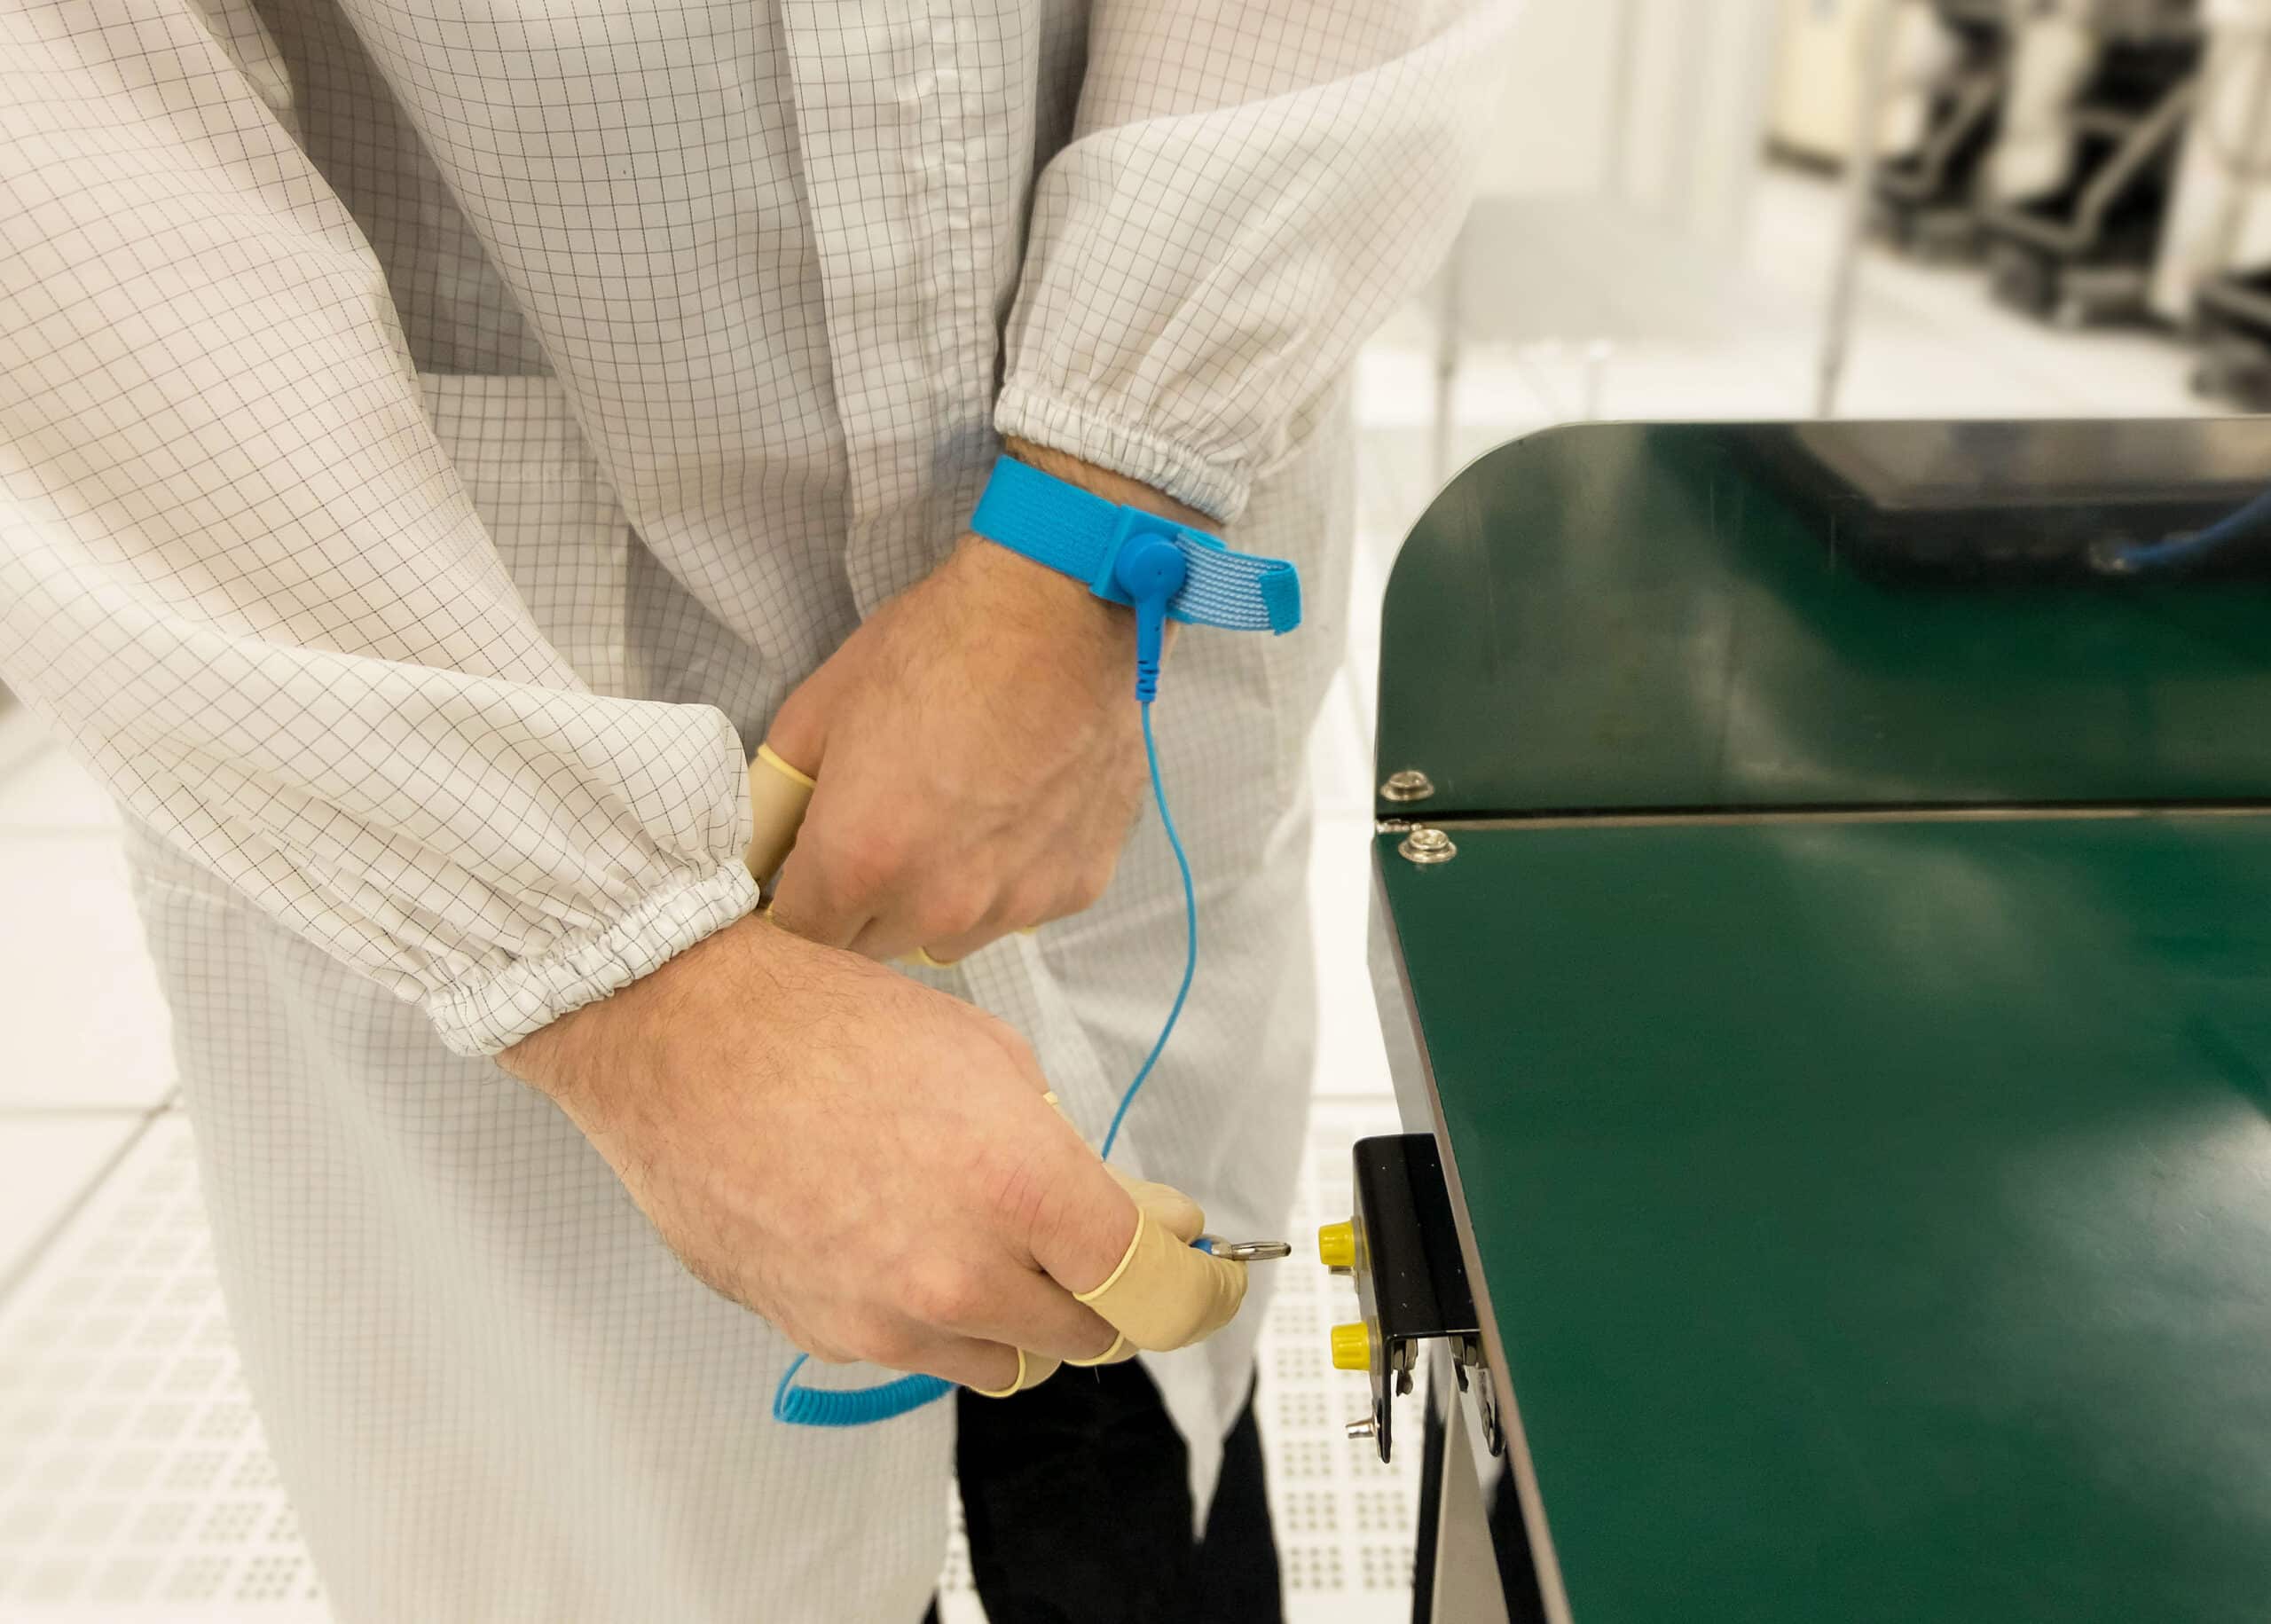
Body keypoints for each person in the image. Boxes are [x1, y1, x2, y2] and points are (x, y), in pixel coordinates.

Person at [0, 0, 1512, 1617]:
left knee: (1135, 1454)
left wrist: (1087, 517)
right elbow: (63, 195)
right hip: (479, 690)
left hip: (1132, 639)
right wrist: (633, 997)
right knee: (645, 1520)